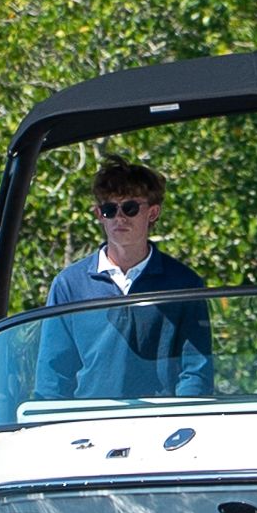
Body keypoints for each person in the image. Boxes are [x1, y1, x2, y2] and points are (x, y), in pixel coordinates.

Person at [33, 158, 213, 401]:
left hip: (163, 423)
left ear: (153, 212)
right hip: (88, 426)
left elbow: (196, 372)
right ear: (99, 215)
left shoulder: (184, 283)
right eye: (109, 209)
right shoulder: (68, 285)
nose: (119, 218)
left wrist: (182, 419)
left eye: (130, 208)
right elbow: (52, 378)